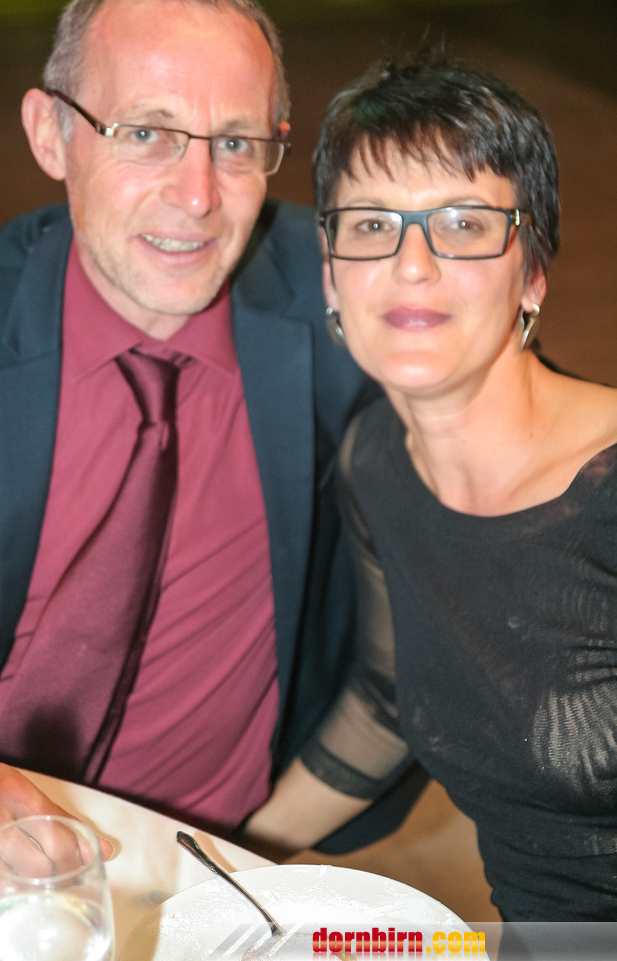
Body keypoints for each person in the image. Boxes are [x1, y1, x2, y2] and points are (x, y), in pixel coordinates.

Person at [0, 0, 399, 846]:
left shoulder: (346, 295)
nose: (197, 197)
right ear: (50, 134)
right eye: (146, 133)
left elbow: (526, 427)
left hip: (214, 861)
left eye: (237, 144)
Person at [245, 56, 617, 922]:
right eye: (373, 224)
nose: (412, 264)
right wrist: (218, 862)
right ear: (331, 275)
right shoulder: (378, 462)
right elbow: (383, 707)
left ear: (532, 274)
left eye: (463, 223)